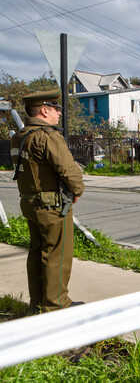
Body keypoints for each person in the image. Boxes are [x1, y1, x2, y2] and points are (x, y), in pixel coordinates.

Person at [10, 89, 85, 311]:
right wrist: (77, 190)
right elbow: (68, 169)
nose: (59, 114)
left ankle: (38, 302)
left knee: (36, 252)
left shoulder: (19, 136)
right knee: (57, 254)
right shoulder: (47, 136)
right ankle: (56, 305)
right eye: (56, 109)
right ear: (44, 110)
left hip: (30, 202)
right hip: (51, 206)